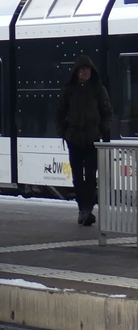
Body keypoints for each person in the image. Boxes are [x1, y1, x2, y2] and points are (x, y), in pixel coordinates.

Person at [55, 54, 113, 226]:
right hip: (74, 139)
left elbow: (107, 112)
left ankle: (86, 209)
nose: (85, 72)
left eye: (87, 69)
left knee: (89, 176)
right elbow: (59, 113)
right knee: (78, 177)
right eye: (82, 70)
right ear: (77, 72)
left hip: (92, 139)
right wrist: (63, 132)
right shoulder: (69, 90)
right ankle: (84, 209)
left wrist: (102, 130)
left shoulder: (98, 89)